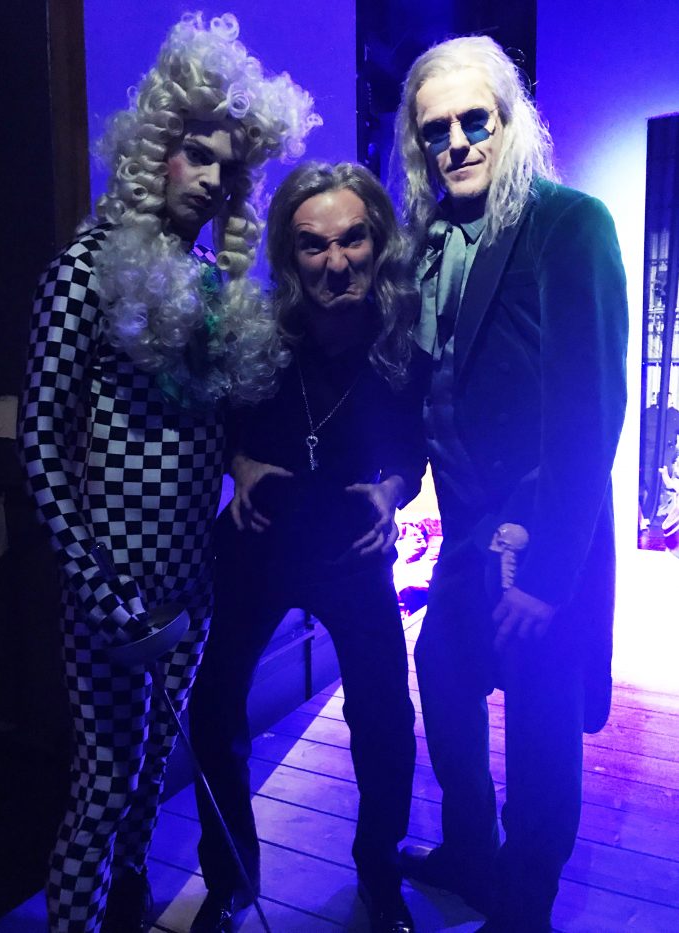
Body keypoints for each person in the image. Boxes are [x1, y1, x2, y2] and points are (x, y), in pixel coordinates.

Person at [18, 12, 319, 932]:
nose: (214, 179)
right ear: (155, 151)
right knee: (107, 781)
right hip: (110, 592)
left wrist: (248, 460)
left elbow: (207, 430)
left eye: (229, 166)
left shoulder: (211, 291)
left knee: (154, 769)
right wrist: (100, 592)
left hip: (191, 582)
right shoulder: (82, 274)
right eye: (197, 154)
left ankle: (127, 906)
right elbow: (40, 447)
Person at [389, 35, 628, 933]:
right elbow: (428, 383)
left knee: (540, 722)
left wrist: (549, 573)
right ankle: (469, 851)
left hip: (538, 535)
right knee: (442, 673)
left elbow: (590, 408)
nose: (455, 142)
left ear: (510, 120)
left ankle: (526, 905)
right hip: (467, 531)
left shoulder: (569, 224)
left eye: (474, 120)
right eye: (435, 129)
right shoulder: (426, 243)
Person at [188, 161, 425, 933]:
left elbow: (414, 447)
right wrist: (238, 462)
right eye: (313, 245)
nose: (335, 261)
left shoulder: (400, 339)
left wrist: (394, 489)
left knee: (385, 718)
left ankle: (379, 875)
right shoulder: (259, 334)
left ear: (377, 242)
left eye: (353, 239)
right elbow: (216, 422)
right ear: (290, 256)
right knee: (213, 706)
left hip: (352, 546)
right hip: (260, 541)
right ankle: (230, 880)